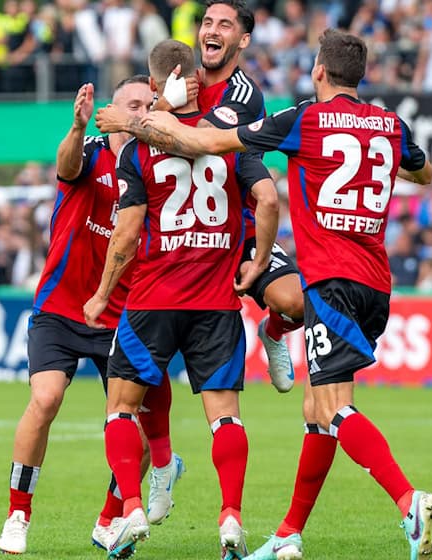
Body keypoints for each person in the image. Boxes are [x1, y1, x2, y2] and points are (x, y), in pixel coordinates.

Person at [139, 28, 432, 560]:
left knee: (334, 406)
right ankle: (288, 533)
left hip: (330, 282)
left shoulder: (306, 118)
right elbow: (425, 172)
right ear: (361, 75)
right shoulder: (390, 125)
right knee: (314, 408)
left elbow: (207, 142)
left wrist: (144, 118)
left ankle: (406, 500)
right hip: (376, 282)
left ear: (319, 71)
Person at [83, 39, 278, 560]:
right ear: (196, 79)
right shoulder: (224, 139)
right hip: (216, 302)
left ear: (153, 86)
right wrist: (257, 262)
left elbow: (125, 236)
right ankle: (231, 517)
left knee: (121, 411)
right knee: (226, 418)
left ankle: (130, 509)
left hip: (152, 298)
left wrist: (102, 294)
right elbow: (266, 197)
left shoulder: (139, 150)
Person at [0, 78, 182, 557]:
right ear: (111, 110)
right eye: (132, 104)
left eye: (148, 103)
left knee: (136, 436)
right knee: (46, 399)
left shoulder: (159, 165)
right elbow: (66, 166)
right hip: (61, 307)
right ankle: (18, 513)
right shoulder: (93, 150)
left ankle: (108, 520)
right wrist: (76, 128)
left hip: (123, 318)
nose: (141, 111)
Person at [96, 0, 304, 394]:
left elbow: (195, 144)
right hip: (178, 229)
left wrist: (134, 119)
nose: (212, 30)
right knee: (142, 377)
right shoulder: (179, 80)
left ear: (242, 40)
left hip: (234, 226)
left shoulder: (241, 93)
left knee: (294, 302)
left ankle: (273, 331)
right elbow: (144, 143)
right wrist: (160, 105)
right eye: (208, 22)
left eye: (224, 25)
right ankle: (161, 454)